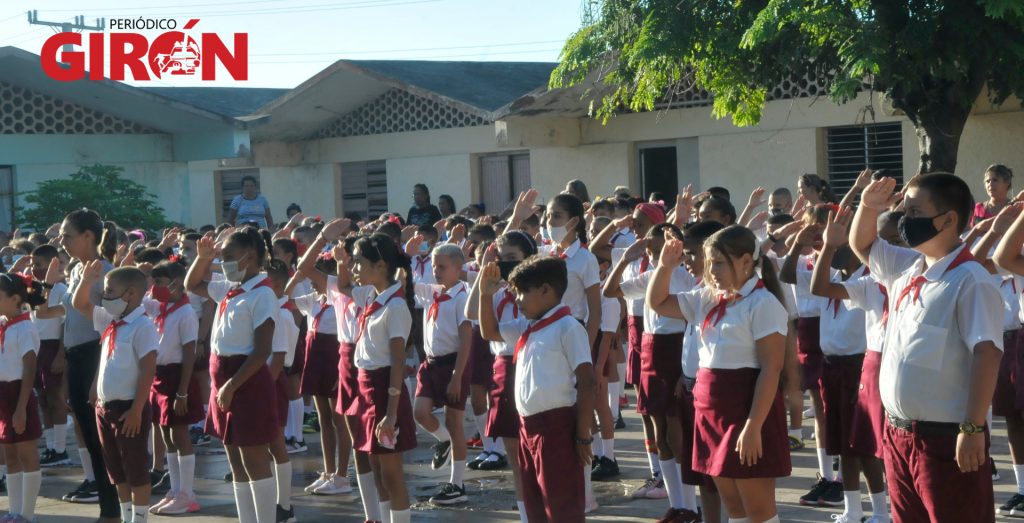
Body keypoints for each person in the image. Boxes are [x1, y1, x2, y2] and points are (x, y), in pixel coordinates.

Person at [850, 174, 1003, 521]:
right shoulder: (908, 268)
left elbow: (987, 353)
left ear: (948, 219)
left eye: (915, 211)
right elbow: (863, 246)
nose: (906, 219)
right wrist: (867, 207)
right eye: (905, 210)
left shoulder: (971, 280)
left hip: (945, 440)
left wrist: (973, 427)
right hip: (899, 434)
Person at [647, 225, 791, 523]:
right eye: (709, 262)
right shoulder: (707, 297)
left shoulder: (763, 303)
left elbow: (771, 369)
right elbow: (657, 302)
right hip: (711, 413)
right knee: (735, 508)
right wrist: (664, 267)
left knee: (759, 512)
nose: (711, 270)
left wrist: (753, 427)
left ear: (746, 262)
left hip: (746, 412)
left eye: (719, 263)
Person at [478, 256, 596, 522]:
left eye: (522, 292)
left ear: (545, 290)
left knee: (561, 506)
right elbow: (489, 332)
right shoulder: (528, 326)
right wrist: (485, 296)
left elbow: (587, 383)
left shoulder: (568, 327)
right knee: (535, 504)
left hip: (556, 426)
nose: (517, 300)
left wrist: (582, 434)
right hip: (527, 426)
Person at [604, 223, 701, 522]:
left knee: (676, 433)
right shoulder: (652, 276)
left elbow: (689, 326)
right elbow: (610, 290)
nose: (652, 253)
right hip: (651, 349)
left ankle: (691, 504)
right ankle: (677, 504)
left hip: (674, 351)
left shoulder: (686, 279)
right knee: (660, 432)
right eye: (650, 249)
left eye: (658, 248)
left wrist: (681, 374)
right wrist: (623, 260)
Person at [185, 228, 279, 523]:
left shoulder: (263, 293)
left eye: (227, 257)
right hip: (223, 379)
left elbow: (262, 351)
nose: (222, 262)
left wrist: (231, 385)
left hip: (244, 381)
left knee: (254, 459)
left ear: (249, 256)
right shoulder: (230, 288)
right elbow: (192, 283)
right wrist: (202, 258)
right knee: (235, 461)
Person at [805, 209, 888, 523]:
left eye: (840, 248)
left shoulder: (868, 281)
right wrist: (826, 246)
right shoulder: (834, 280)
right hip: (832, 368)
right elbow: (816, 286)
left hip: (857, 369)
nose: (832, 254)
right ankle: (852, 511)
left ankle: (881, 512)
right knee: (842, 445)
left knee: (864, 445)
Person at [39, 209, 120, 520]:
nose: (62, 241)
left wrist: (97, 374)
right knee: (86, 432)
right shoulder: (75, 271)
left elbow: (111, 327)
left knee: (104, 438)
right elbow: (52, 313)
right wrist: (47, 284)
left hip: (96, 356)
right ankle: (106, 505)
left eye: (68, 235)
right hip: (76, 356)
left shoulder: (107, 273)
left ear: (89, 236)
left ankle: (115, 507)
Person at [334, 233, 416, 523]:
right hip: (367, 388)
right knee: (376, 466)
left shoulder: (395, 306)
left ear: (380, 266)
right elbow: (342, 285)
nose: (354, 268)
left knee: (392, 473)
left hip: (385, 389)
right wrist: (342, 262)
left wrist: (392, 414)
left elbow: (397, 362)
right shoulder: (371, 295)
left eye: (358, 262)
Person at [72, 264, 158, 523]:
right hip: (105, 406)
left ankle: (139, 519)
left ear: (130, 294)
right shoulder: (112, 322)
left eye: (110, 291)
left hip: (129, 408)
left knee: (135, 471)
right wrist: (86, 280)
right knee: (116, 472)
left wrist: (136, 410)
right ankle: (125, 516)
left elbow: (147, 369)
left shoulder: (142, 326)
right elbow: (80, 305)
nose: (105, 297)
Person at [468, 229, 537, 522]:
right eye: (502, 258)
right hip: (502, 368)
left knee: (538, 452)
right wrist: (485, 278)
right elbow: (471, 311)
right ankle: (526, 516)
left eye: (512, 258)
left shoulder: (538, 291)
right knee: (516, 457)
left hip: (532, 367)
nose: (506, 263)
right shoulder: (495, 292)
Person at [408, 242, 472, 505]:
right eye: (434, 265)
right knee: (420, 412)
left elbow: (467, 339)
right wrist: (408, 254)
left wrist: (457, 376)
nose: (436, 270)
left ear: (459, 268)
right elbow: (404, 285)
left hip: (453, 363)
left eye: (443, 266)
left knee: (455, 423)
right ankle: (443, 441)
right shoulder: (432, 293)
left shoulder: (461, 297)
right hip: (431, 364)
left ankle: (457, 484)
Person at [145, 260, 204, 516]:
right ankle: (175, 488)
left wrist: (182, 392)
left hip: (178, 376)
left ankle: (187, 494)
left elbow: (189, 354)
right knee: (167, 435)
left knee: (180, 435)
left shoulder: (185, 313)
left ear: (177, 283)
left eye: (159, 282)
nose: (154, 287)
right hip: (159, 376)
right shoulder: (161, 307)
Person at [0, 273, 45, 523]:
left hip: (20, 394)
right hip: (3, 395)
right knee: (10, 455)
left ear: (15, 299)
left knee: (27, 454)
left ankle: (28, 514)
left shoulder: (26, 327)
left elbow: (29, 368)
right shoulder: (3, 323)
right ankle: (14, 511)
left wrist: (20, 408)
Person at [30, 245, 70, 468]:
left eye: (39, 264)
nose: (35, 269)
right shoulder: (36, 289)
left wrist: (60, 354)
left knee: (55, 397)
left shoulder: (62, 289)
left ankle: (62, 449)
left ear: (52, 264)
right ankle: (51, 446)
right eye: (33, 264)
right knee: (43, 399)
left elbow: (65, 324)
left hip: (53, 346)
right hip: (37, 346)